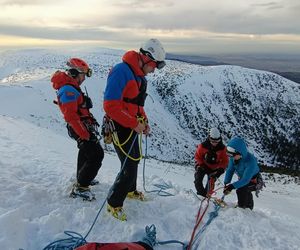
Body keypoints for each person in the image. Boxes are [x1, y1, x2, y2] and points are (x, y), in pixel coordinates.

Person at [103, 38, 166, 220]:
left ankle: (130, 190)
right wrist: (134, 123)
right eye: (154, 65)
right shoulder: (121, 71)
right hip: (120, 125)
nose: (154, 69)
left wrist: (143, 122)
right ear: (145, 57)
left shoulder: (139, 76)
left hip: (132, 124)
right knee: (128, 166)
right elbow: (110, 106)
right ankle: (114, 203)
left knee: (134, 160)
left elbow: (136, 105)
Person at [51, 58, 104, 201]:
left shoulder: (70, 86)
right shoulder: (68, 90)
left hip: (81, 126)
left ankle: (83, 177)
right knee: (96, 154)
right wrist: (84, 134)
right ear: (75, 73)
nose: (84, 79)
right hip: (79, 127)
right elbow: (71, 117)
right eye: (83, 75)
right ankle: (81, 186)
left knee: (86, 151)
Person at [223, 136, 260, 210]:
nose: (232, 157)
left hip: (253, 180)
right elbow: (230, 170)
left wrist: (231, 186)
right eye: (230, 155)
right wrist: (226, 183)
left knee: (241, 190)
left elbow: (246, 180)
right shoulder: (233, 158)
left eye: (233, 155)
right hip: (243, 178)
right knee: (244, 190)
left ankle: (242, 207)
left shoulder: (250, 161)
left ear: (240, 153)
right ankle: (247, 206)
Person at [194, 128, 229, 197]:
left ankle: (207, 196)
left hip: (215, 169)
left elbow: (225, 161)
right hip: (203, 166)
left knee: (210, 184)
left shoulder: (222, 149)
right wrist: (202, 165)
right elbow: (197, 156)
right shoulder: (202, 146)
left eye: (217, 141)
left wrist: (221, 170)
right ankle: (201, 195)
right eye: (212, 141)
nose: (215, 143)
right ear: (209, 138)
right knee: (198, 181)